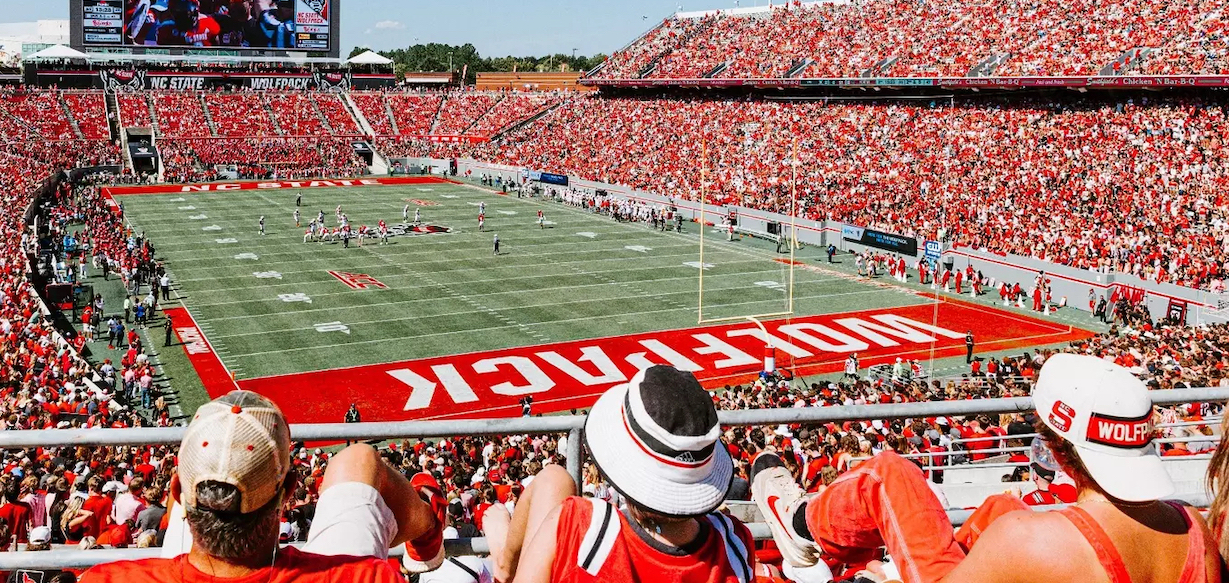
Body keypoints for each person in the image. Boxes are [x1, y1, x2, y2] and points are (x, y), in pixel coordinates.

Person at [753, 353, 1219, 583]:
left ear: (1056, 448)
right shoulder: (1195, 528)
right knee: (996, 507)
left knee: (887, 474)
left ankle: (801, 524)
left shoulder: (1030, 539)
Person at [80, 391, 444, 583]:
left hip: (189, 561)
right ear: (287, 493)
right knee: (357, 458)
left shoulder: (105, 579)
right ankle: (428, 531)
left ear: (175, 492)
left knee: (210, 460)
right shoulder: (366, 577)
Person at [483, 365, 754, 583]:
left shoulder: (578, 524)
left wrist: (499, 547)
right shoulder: (735, 546)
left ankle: (503, 565)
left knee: (555, 478)